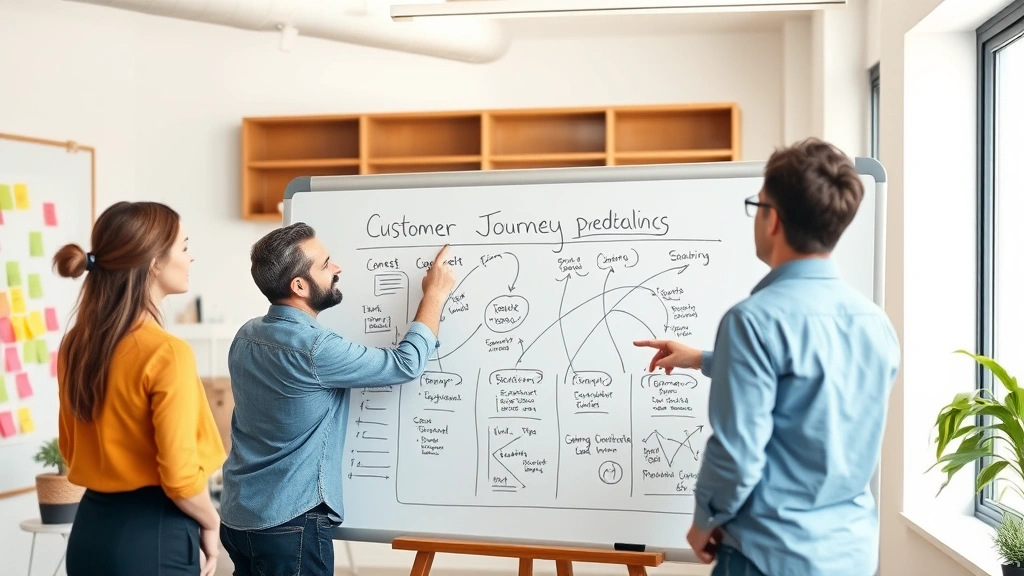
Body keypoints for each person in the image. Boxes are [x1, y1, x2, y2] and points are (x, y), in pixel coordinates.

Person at [634, 138, 900, 576]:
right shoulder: (875, 324)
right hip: (850, 556)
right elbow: (810, 386)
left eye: (756, 205)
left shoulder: (752, 322)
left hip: (769, 557)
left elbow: (737, 453)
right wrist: (702, 358)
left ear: (771, 219)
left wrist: (704, 521)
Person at [219, 223, 456, 575]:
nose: (337, 268)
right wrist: (434, 295)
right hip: (290, 525)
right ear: (298, 286)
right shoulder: (315, 349)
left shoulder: (247, 335)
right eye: (326, 264)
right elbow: (405, 364)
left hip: (239, 518)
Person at [53, 201, 226, 576]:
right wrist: (211, 522)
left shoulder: (74, 346)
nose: (191, 257)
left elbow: (70, 447)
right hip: (153, 537)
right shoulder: (167, 353)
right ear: (154, 263)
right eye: (183, 247)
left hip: (89, 533)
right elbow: (180, 478)